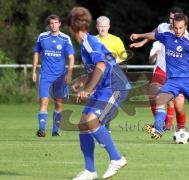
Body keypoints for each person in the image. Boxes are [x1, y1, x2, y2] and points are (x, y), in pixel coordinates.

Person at [130, 13, 189, 139]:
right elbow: (153, 35)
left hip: (188, 81)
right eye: (176, 28)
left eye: (181, 28)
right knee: (160, 99)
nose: (178, 31)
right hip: (172, 81)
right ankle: (158, 129)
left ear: (185, 27)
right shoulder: (167, 37)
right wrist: (139, 36)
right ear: (172, 27)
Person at [67, 7, 130, 180]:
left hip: (116, 87)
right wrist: (81, 82)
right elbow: (95, 68)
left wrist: (87, 90)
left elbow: (101, 66)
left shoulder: (89, 43)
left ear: (72, 28)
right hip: (104, 88)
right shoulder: (86, 43)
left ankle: (117, 158)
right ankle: (90, 171)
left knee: (91, 121)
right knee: (83, 124)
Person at [131, 7, 188, 136]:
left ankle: (180, 128)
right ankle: (159, 126)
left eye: (175, 19)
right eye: (171, 18)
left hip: (175, 73)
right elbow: (154, 33)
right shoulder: (163, 27)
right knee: (153, 94)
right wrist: (142, 42)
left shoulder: (184, 35)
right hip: (161, 69)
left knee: (178, 104)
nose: (172, 21)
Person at [32, 14, 75, 137]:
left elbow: (71, 57)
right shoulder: (42, 37)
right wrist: (34, 71)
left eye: (56, 23)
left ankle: (55, 131)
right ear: (49, 25)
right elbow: (36, 53)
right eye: (51, 23)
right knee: (44, 101)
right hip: (45, 75)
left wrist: (69, 73)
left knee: (58, 103)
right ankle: (42, 130)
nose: (53, 25)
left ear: (60, 24)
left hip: (60, 77)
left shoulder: (65, 39)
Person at [96, 15, 128, 131]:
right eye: (100, 26)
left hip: (113, 74)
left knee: (112, 99)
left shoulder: (116, 40)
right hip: (98, 74)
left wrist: (113, 62)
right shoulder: (92, 40)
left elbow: (124, 55)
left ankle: (104, 124)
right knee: (101, 100)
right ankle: (101, 124)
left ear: (109, 27)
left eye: (105, 26)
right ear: (97, 27)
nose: (103, 29)